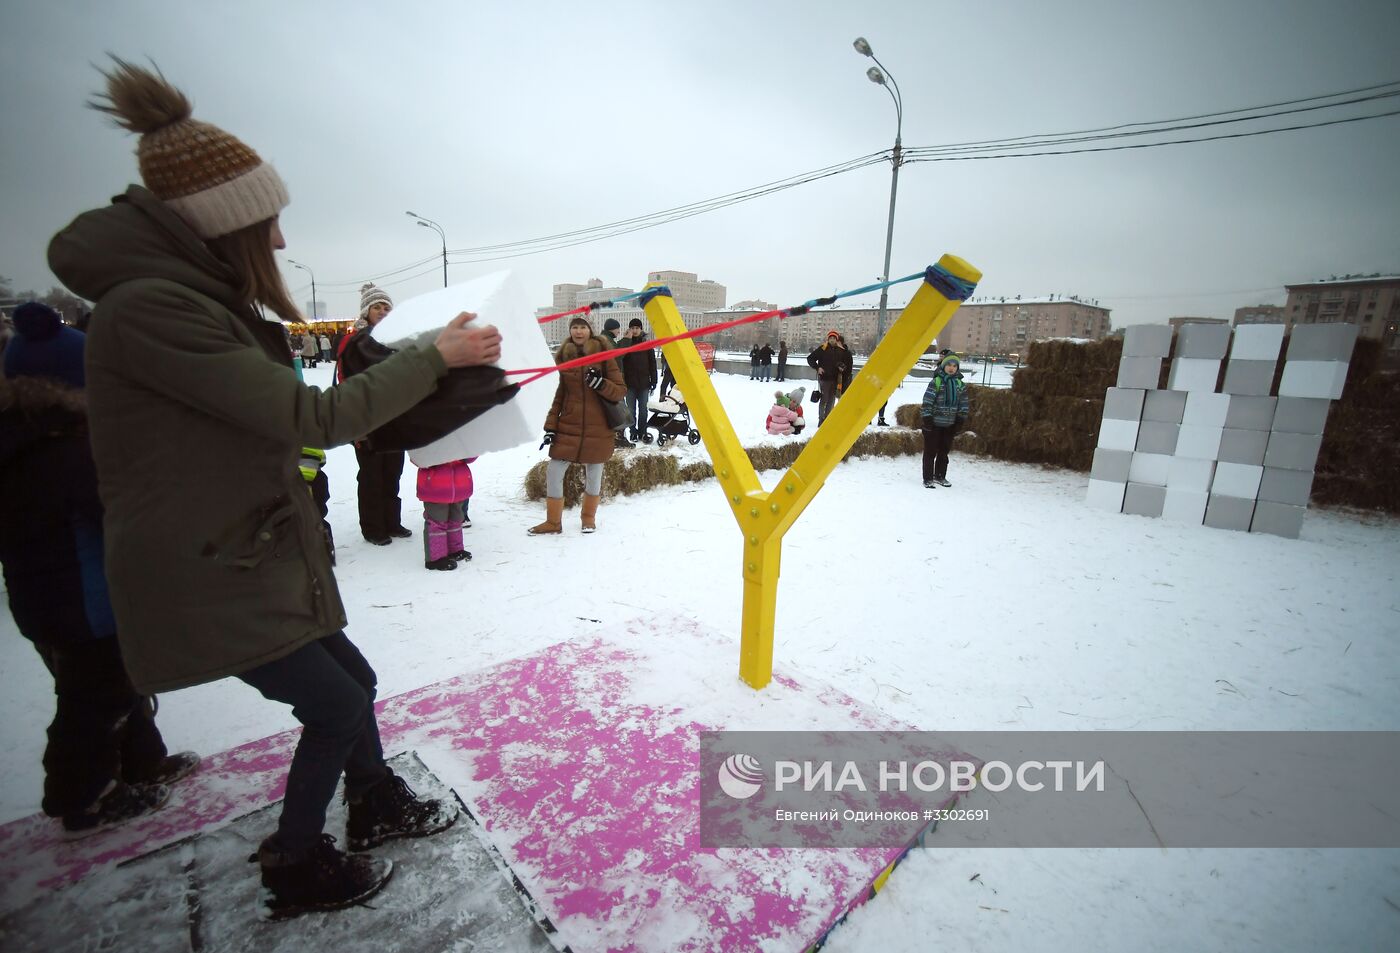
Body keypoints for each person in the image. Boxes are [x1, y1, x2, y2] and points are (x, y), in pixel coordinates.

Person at [50, 59, 503, 917]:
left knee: (351, 680)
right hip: (213, 565)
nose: (284, 244)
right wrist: (432, 358)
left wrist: (427, 360)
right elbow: (309, 415)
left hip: (252, 550)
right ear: (223, 227)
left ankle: (371, 802)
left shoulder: (184, 299)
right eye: (271, 223)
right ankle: (297, 859)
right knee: (336, 706)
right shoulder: (155, 307)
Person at [0, 302, 199, 836]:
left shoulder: (29, 437)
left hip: (55, 596)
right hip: (81, 601)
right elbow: (119, 516)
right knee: (95, 696)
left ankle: (141, 764)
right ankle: (81, 797)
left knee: (118, 682)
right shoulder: (64, 448)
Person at [529, 316, 626, 536]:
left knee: (594, 472)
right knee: (554, 471)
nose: (579, 331)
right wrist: (551, 428)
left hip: (598, 426)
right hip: (569, 425)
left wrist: (600, 383)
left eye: (583, 327)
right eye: (575, 327)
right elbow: (557, 396)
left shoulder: (603, 355)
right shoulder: (563, 357)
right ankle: (553, 522)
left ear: (590, 330)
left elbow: (620, 390)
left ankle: (588, 518)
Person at [337, 284, 414, 546]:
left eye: (386, 307)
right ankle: (373, 527)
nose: (382, 311)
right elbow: (348, 383)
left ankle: (392, 522)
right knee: (371, 475)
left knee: (393, 473)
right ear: (366, 311)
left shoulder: (395, 340)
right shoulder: (355, 341)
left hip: (394, 419)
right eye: (377, 307)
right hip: (368, 420)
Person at [920, 354, 970, 488]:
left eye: (954, 366)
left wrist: (960, 419)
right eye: (949, 365)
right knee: (930, 452)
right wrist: (927, 419)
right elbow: (927, 402)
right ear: (943, 366)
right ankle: (928, 478)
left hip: (949, 425)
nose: (951, 368)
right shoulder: (936, 382)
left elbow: (963, 404)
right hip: (934, 424)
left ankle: (940, 476)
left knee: (943, 453)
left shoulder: (960, 384)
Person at [416, 457, 474, 570]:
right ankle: (435, 558)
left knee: (456, 519)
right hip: (436, 485)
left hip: (458, 485)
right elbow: (418, 456)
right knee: (437, 521)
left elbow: (471, 455)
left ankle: (455, 549)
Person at [598, 317, 633, 449]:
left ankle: (612, 438)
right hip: (612, 382)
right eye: (618, 328)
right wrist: (627, 339)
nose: (619, 331)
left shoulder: (604, 339)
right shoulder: (606, 341)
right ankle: (619, 438)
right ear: (613, 328)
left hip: (606, 382)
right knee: (619, 410)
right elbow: (617, 356)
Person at [620, 318, 657, 442]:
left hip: (644, 384)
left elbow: (652, 363)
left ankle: (642, 431)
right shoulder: (626, 343)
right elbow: (621, 361)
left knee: (643, 411)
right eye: (632, 328)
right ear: (629, 329)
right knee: (630, 411)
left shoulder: (646, 343)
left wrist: (654, 381)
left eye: (637, 328)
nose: (635, 330)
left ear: (641, 329)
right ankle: (633, 432)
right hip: (629, 384)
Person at [807, 330, 853, 426]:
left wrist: (842, 367)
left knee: (831, 400)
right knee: (824, 399)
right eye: (830, 338)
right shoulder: (822, 349)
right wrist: (817, 367)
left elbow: (845, 364)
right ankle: (821, 419)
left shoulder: (840, 351)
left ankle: (827, 419)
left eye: (834, 338)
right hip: (824, 379)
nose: (832, 340)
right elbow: (810, 358)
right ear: (828, 339)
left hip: (835, 379)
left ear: (837, 340)